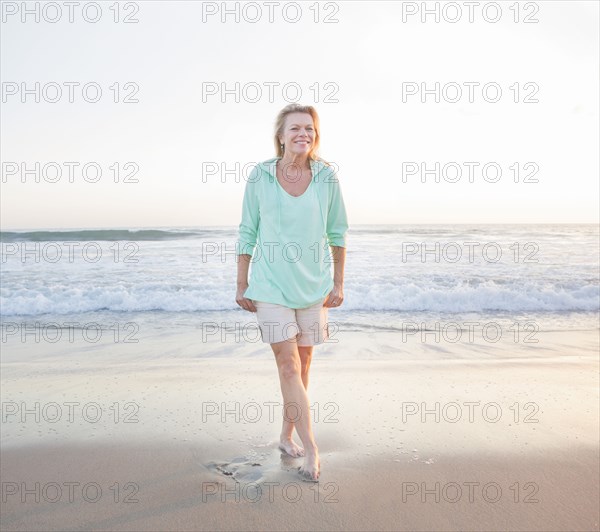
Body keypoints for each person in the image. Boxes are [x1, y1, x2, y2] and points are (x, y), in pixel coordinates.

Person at [235, 103, 349, 481]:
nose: (304, 134)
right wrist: (242, 282)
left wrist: (338, 282)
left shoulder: (326, 177)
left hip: (313, 285)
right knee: (288, 365)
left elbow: (338, 233)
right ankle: (312, 448)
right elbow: (247, 231)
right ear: (281, 135)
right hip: (269, 285)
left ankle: (286, 435)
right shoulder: (261, 177)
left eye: (310, 129)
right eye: (296, 128)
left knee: (303, 366)